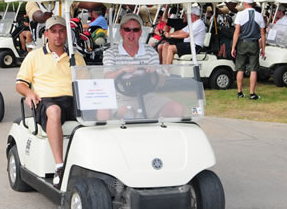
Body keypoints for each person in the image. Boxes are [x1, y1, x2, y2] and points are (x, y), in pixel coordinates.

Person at [16, 15, 86, 187]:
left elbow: (86, 84)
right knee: (54, 111)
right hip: (46, 101)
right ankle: (60, 166)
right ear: (46, 34)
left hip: (72, 99)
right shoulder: (34, 56)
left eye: (61, 31)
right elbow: (20, 83)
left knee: (102, 112)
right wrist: (29, 93)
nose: (58, 36)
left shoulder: (76, 58)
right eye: (53, 32)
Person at [102, 13, 183, 119]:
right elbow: (107, 77)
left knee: (176, 109)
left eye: (135, 30)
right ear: (121, 31)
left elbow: (160, 82)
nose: (131, 34)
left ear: (140, 32)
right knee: (128, 113)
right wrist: (122, 71)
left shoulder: (150, 51)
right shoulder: (111, 53)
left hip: (147, 96)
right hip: (121, 98)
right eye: (127, 29)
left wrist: (154, 73)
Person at [231, 0, 266, 99]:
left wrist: (233, 47)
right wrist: (263, 48)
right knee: (253, 69)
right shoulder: (259, 15)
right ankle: (252, 93)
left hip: (242, 43)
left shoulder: (240, 15)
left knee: (240, 68)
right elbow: (263, 34)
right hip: (254, 43)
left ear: (245, 4)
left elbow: (237, 32)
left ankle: (239, 92)